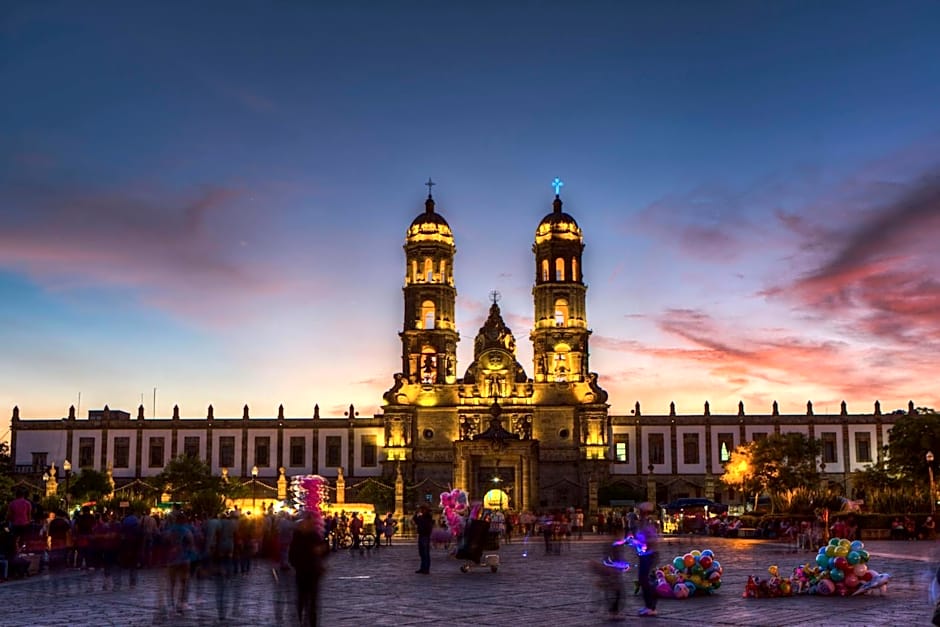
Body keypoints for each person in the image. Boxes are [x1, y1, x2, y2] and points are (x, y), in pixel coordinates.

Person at [289, 511, 330, 627]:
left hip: (313, 573)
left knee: (312, 601)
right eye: (309, 522)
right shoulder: (297, 537)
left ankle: (312, 622)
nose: (310, 524)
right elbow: (291, 556)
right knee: (302, 599)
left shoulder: (315, 535)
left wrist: (323, 550)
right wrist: (298, 565)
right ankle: (300, 620)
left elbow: (325, 550)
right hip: (302, 572)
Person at [634, 502, 659, 617]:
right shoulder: (643, 523)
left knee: (644, 580)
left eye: (640, 512)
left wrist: (640, 544)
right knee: (644, 580)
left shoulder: (647, 524)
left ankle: (651, 606)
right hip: (645, 555)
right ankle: (649, 606)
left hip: (648, 555)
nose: (638, 514)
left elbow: (651, 540)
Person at [413, 504, 433, 574]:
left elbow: (428, 527)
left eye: (422, 509)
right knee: (421, 553)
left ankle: (426, 569)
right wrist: (416, 513)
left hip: (425, 536)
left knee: (425, 553)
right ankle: (422, 568)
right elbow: (415, 520)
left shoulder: (428, 517)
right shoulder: (421, 517)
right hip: (421, 535)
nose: (421, 511)